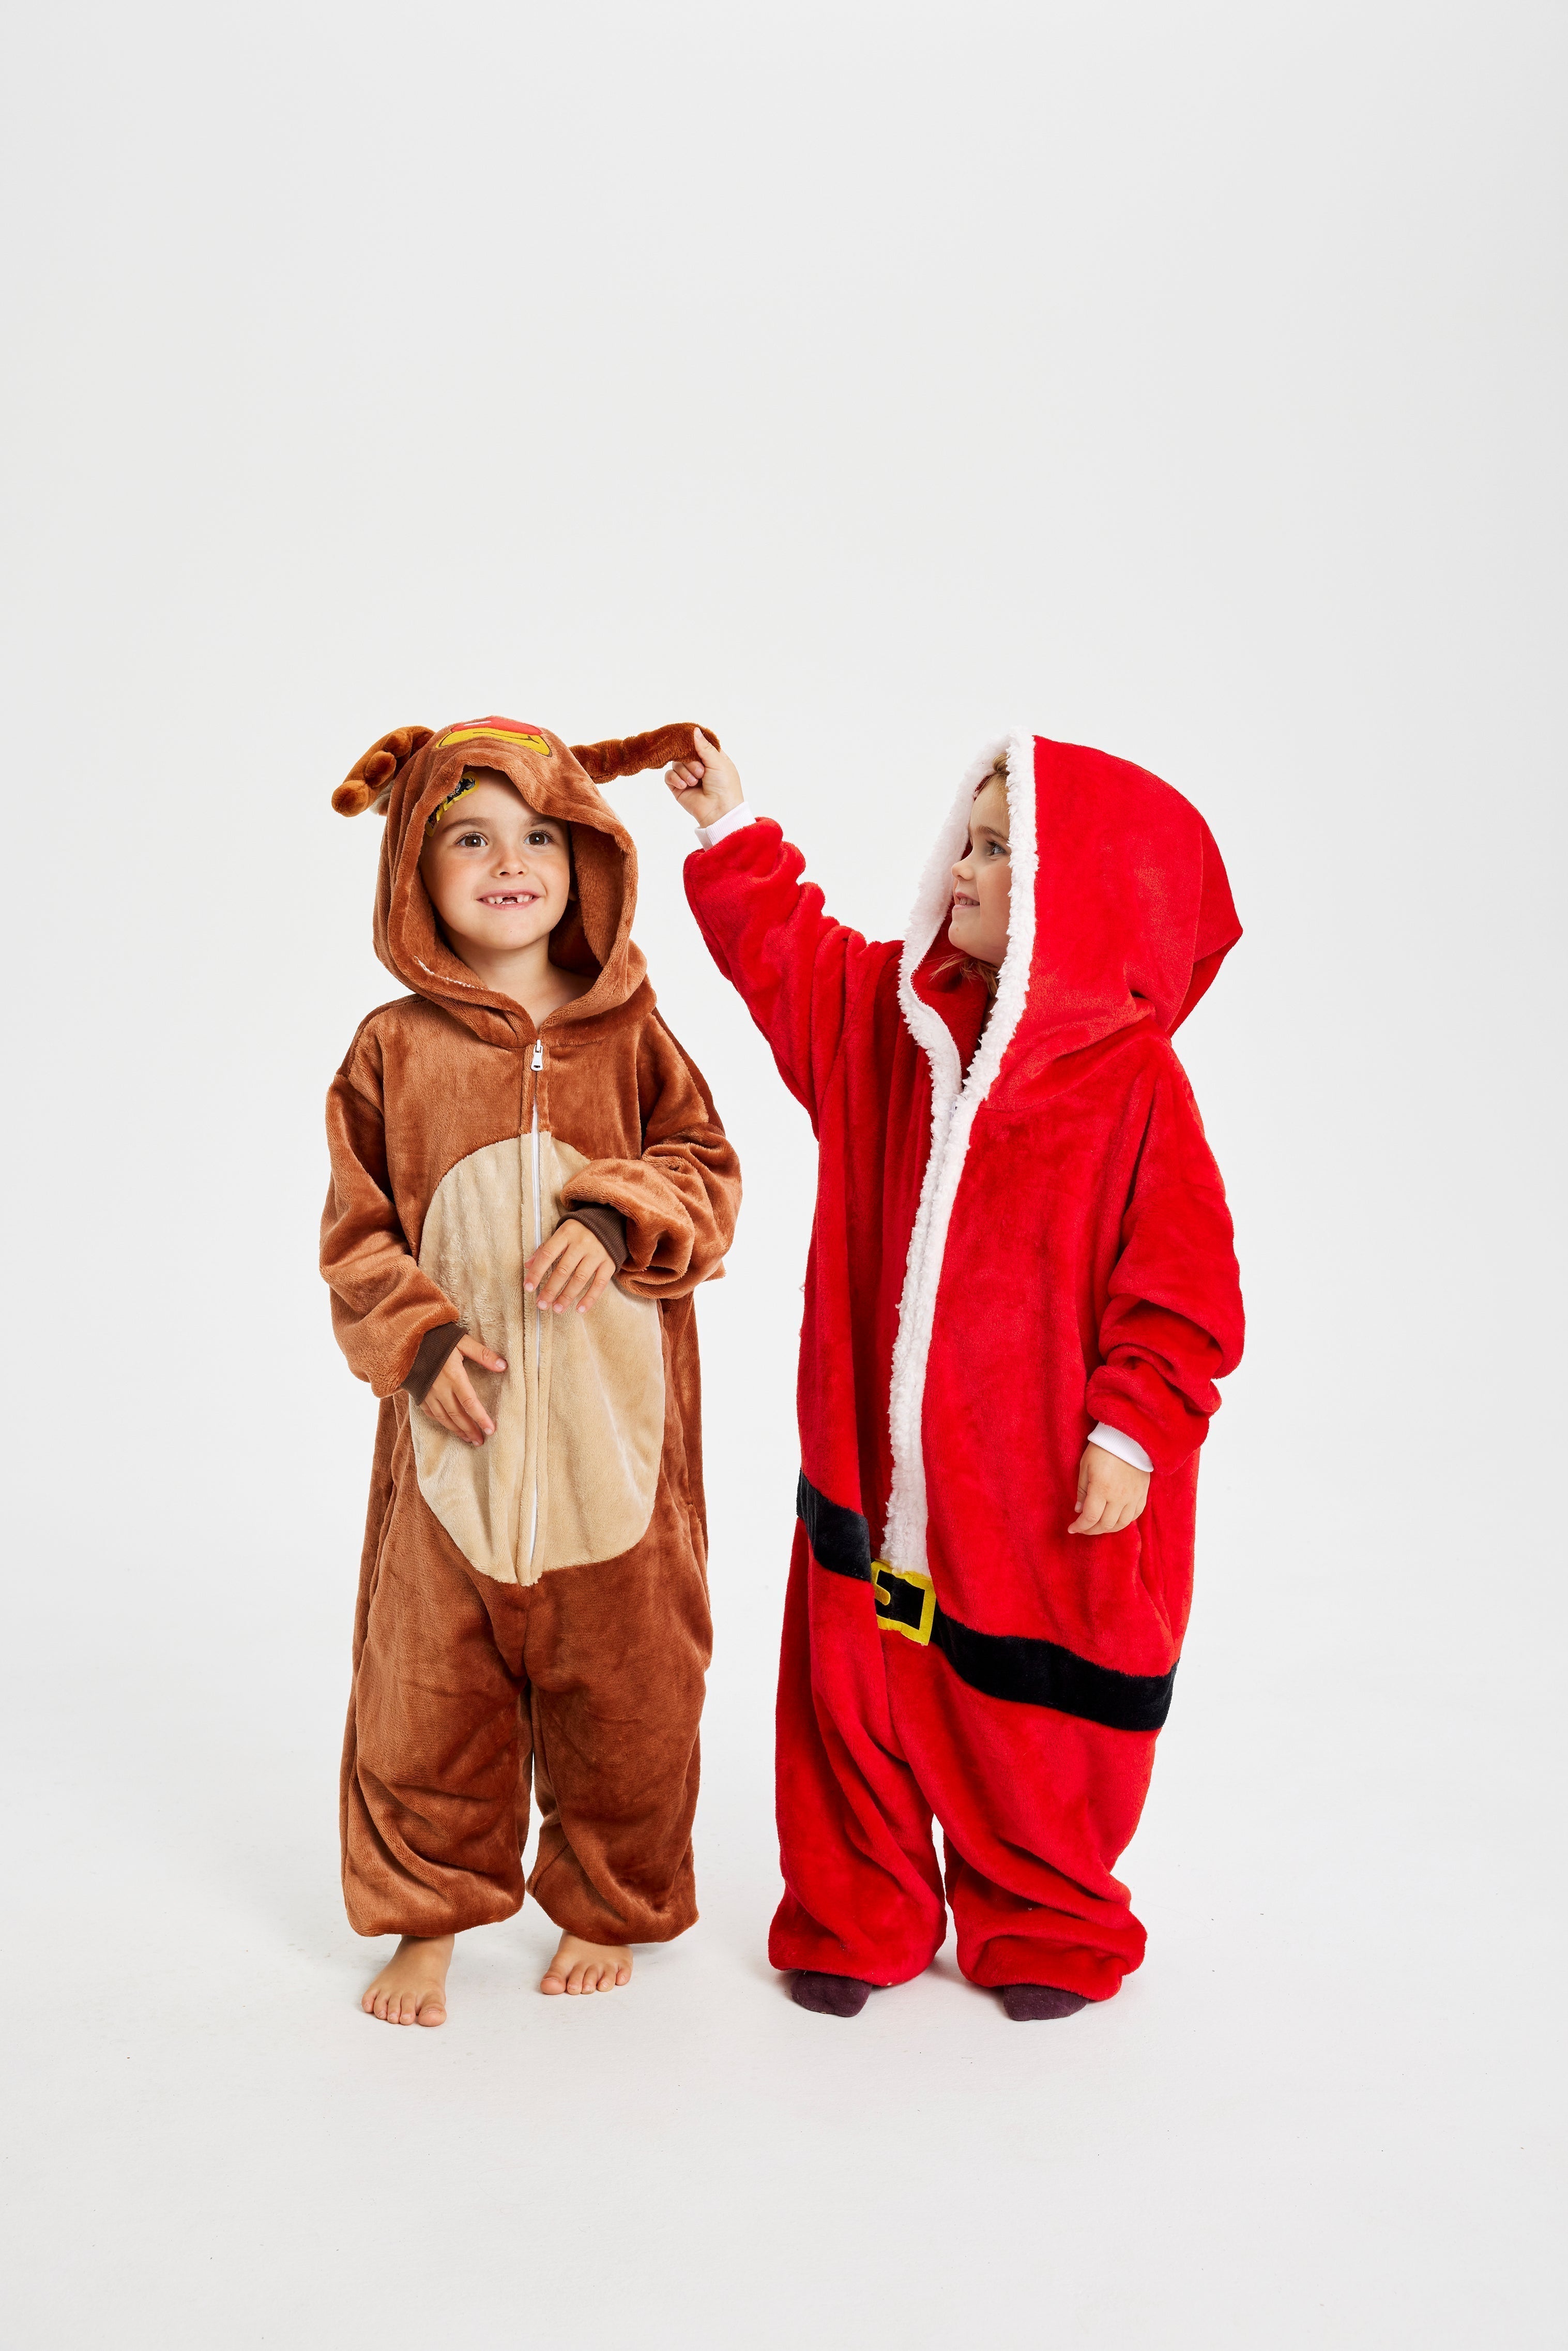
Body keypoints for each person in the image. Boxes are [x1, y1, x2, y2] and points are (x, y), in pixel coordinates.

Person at [668, 727, 1243, 2020]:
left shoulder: (1133, 1086)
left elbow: (1184, 1290)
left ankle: (1042, 1915)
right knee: (854, 1696)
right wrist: (729, 829)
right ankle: (855, 1907)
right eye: (968, 843)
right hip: (871, 1482)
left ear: (1079, 893)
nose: (962, 871)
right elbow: (792, 960)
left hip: (1030, 1500)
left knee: (1031, 1730)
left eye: (998, 852)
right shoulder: (897, 1024)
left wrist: (1130, 1431)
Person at [323, 716, 740, 2027]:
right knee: (424, 1694)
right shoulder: (392, 1049)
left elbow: (707, 1173)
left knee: (635, 1689)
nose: (511, 862)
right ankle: (429, 1916)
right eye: (470, 837)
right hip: (454, 1450)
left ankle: (607, 1899)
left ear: (587, 859)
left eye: (540, 836)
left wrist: (614, 1216)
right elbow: (356, 1238)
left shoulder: (633, 1034)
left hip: (616, 1450)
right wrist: (420, 1341)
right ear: (414, 870)